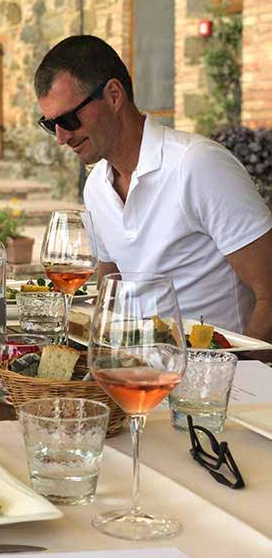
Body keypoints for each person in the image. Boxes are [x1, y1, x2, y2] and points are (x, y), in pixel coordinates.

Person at [34, 35, 272, 342]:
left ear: (114, 95)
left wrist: (241, 376)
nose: (61, 137)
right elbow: (111, 298)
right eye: (50, 124)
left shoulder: (197, 165)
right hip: (134, 373)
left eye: (68, 119)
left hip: (213, 375)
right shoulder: (96, 187)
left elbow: (269, 292)